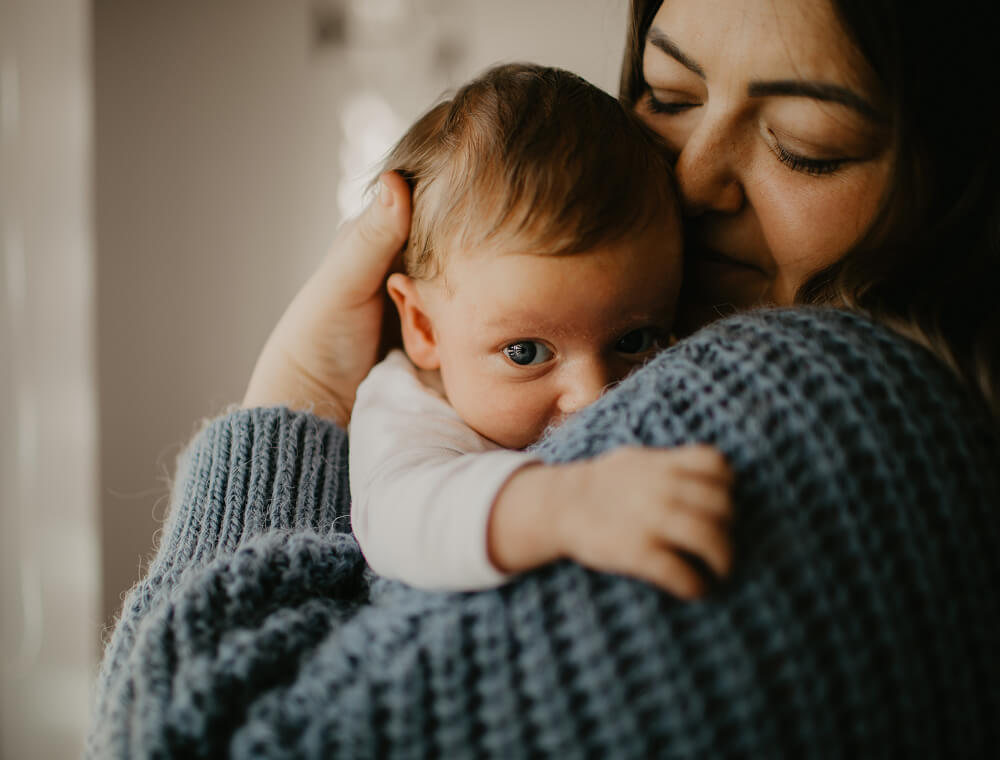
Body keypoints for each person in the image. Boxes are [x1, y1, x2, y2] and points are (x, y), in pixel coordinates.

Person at [87, 0, 1000, 757]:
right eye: (669, 95)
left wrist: (287, 402)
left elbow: (180, 737)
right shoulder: (420, 400)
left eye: (805, 144)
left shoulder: (843, 416)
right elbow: (407, 515)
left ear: (961, 178)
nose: (686, 179)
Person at [350, 63, 733, 594]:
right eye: (526, 352)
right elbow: (396, 518)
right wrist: (564, 505)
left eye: (633, 341)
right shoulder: (406, 410)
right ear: (424, 328)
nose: (593, 396)